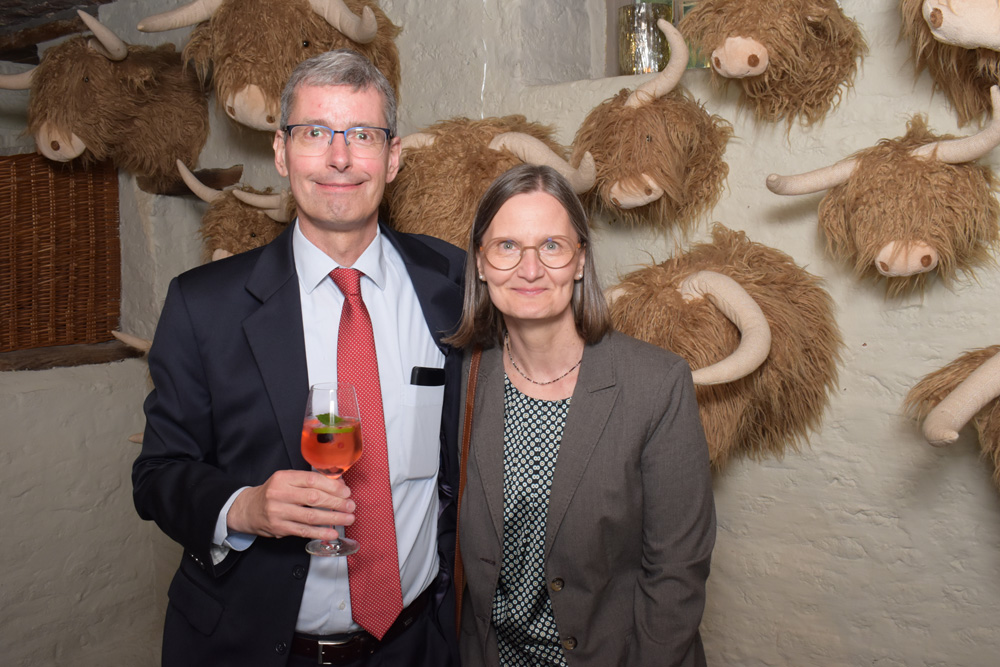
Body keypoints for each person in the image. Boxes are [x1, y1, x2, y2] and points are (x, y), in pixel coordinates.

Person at [132, 49, 464, 667]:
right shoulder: (204, 305)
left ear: (392, 158)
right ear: (282, 153)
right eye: (315, 133)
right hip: (253, 647)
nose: (339, 158)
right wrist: (244, 508)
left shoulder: (453, 283)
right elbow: (157, 476)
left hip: (417, 644)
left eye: (362, 135)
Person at [449, 164, 716, 666]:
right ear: (481, 263)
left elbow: (677, 570)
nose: (530, 270)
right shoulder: (462, 380)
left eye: (551, 245)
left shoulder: (656, 384)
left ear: (579, 261)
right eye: (507, 246)